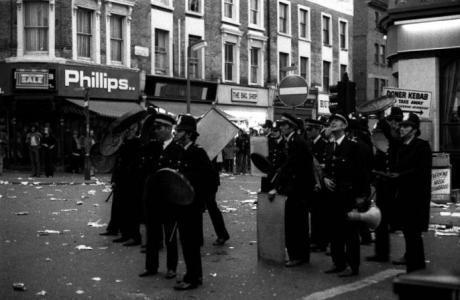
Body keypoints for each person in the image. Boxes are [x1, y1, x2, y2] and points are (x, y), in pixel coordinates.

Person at [323, 113, 370, 277]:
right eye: (331, 121)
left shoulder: (353, 146)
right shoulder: (330, 146)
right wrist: (325, 179)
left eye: (337, 121)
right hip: (332, 195)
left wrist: (361, 197)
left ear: (345, 126)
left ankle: (353, 266)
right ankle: (338, 263)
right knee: (334, 230)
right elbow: (327, 169)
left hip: (349, 195)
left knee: (350, 233)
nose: (333, 123)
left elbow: (362, 173)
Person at [140, 113, 184, 280]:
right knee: (152, 234)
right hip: (153, 199)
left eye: (159, 128)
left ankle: (171, 268)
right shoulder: (151, 147)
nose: (156, 131)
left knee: (170, 235)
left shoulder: (178, 150)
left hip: (170, 200)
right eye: (155, 128)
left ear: (168, 129)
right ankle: (151, 266)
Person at [172, 115, 213, 290]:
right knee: (187, 242)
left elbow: (208, 179)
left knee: (191, 243)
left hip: (192, 206)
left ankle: (193, 278)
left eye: (179, 131)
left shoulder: (198, 152)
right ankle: (193, 274)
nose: (176, 133)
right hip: (183, 204)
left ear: (188, 134)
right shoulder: (182, 151)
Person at [391, 113, 432, 273]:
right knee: (408, 232)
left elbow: (421, 171)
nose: (401, 129)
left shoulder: (422, 146)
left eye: (405, 126)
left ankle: (415, 268)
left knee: (414, 233)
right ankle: (413, 264)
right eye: (401, 126)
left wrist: (400, 175)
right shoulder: (402, 145)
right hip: (403, 195)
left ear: (414, 130)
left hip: (416, 197)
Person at [273, 113, 315, 267]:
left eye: (284, 125)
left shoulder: (296, 142)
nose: (281, 128)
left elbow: (291, 167)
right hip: (297, 190)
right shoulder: (291, 141)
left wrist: (277, 187)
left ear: (291, 127)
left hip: (297, 190)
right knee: (298, 223)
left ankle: (297, 256)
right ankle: (300, 255)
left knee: (295, 224)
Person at [367, 106, 403, 263]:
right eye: (392, 121)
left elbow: (393, 142)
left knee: (394, 220)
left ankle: (390, 253)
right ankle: (381, 253)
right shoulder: (385, 135)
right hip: (383, 182)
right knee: (381, 219)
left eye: (396, 121)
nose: (394, 124)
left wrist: (383, 120)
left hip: (393, 184)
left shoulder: (399, 138)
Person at [304, 118, 328, 252]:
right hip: (312, 183)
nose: (307, 132)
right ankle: (314, 239)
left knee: (321, 214)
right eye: (306, 129)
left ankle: (321, 242)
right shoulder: (308, 143)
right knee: (313, 213)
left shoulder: (324, 144)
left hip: (321, 183)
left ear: (317, 129)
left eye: (310, 129)